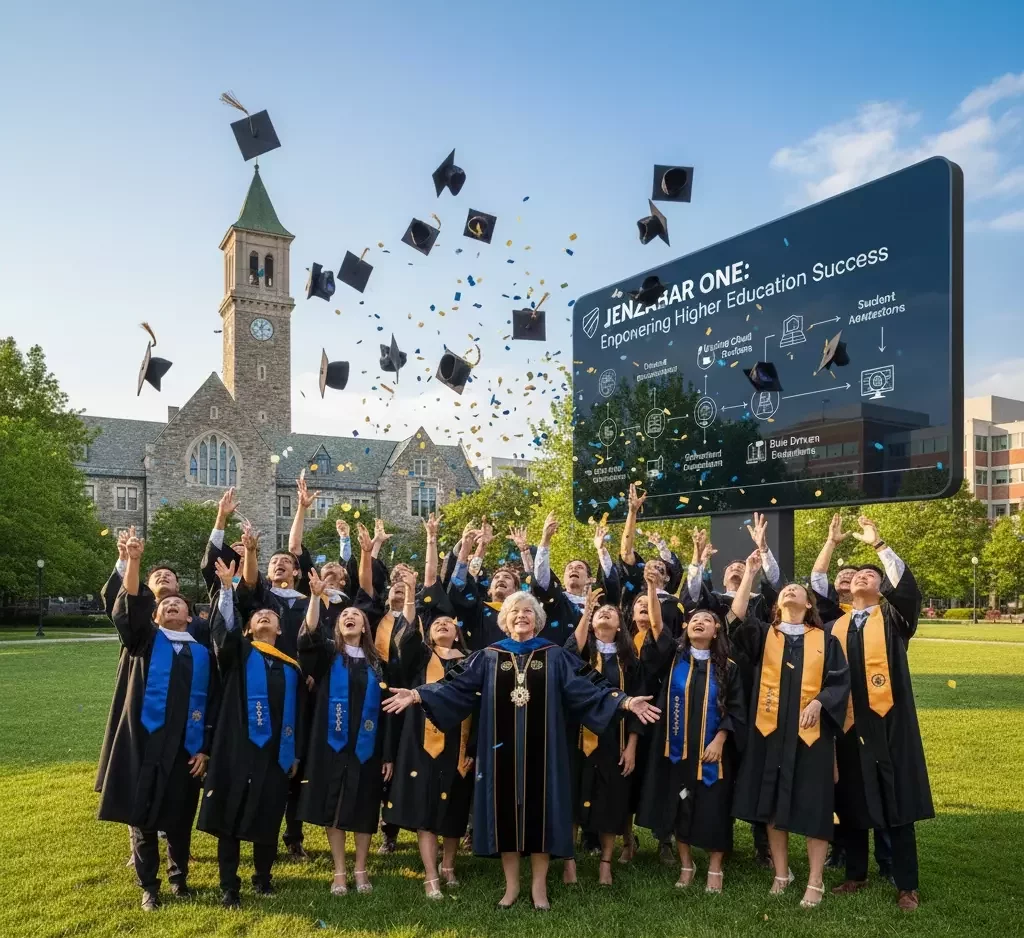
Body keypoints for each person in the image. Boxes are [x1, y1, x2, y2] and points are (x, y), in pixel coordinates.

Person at [383, 590, 661, 910]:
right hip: (499, 753)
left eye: (528, 611)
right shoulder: (488, 656)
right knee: (505, 817)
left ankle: (539, 887)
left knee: (541, 815)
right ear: (505, 620)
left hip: (545, 754)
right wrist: (417, 696)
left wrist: (625, 701)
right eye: (515, 611)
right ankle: (512, 886)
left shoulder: (555, 655)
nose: (521, 615)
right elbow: (454, 685)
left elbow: (589, 687)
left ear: (538, 621)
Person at [98, 531, 219, 911]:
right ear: (155, 613)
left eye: (180, 605)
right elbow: (128, 607)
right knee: (142, 814)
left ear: (190, 615)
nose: (173, 607)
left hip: (185, 746)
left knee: (179, 815)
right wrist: (132, 561)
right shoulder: (144, 642)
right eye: (166, 606)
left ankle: (179, 878)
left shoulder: (203, 653)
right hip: (143, 741)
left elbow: (213, 704)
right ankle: (149, 886)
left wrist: (205, 747)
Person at [814, 516, 930, 911]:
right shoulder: (836, 627)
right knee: (851, 798)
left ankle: (906, 883)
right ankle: (856, 874)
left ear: (882, 589)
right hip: (846, 723)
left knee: (896, 799)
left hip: (889, 723)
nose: (863, 577)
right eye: (859, 574)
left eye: (870, 575)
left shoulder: (895, 621)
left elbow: (908, 591)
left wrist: (879, 546)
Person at [729, 551, 851, 909]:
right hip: (768, 731)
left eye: (797, 589)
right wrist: (750, 574)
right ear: (776, 604)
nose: (790, 591)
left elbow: (840, 682)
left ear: (809, 603)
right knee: (770, 804)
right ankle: (782, 874)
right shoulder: (765, 635)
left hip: (810, 733)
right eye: (786, 590)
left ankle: (815, 880)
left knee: (815, 805)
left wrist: (819, 702)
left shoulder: (825, 639)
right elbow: (736, 619)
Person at [198, 558, 307, 908]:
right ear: (248, 629)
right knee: (229, 815)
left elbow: (297, 716)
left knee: (268, 812)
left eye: (271, 617)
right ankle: (229, 884)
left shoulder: (291, 668)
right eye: (258, 616)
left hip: (274, 751)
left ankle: (263, 878)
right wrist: (228, 588)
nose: (264, 618)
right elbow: (223, 631)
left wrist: (293, 753)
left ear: (280, 630)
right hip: (236, 746)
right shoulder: (238, 653)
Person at [637, 566, 745, 893]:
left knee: (714, 809)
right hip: (675, 750)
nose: (700, 622)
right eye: (695, 619)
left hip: (714, 752)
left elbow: (737, 708)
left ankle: (714, 866)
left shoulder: (728, 667)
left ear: (716, 631)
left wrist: (721, 740)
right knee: (678, 804)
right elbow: (656, 626)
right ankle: (686, 864)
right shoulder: (674, 658)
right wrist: (652, 588)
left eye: (708, 620)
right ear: (686, 627)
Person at [297, 581, 395, 896]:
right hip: (330, 744)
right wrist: (314, 596)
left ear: (366, 626)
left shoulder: (378, 664)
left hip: (368, 747)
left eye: (356, 615)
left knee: (365, 805)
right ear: (339, 625)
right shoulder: (328, 654)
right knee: (334, 804)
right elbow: (307, 637)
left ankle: (361, 869)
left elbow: (388, 710)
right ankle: (340, 870)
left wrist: (388, 754)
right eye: (345, 616)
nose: (350, 617)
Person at [811, 515, 893, 877]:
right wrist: (831, 543)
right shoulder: (832, 620)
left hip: (880, 713)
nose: (850, 579)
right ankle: (845, 854)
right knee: (846, 786)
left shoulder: (885, 617)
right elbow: (816, 581)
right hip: (843, 715)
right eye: (845, 577)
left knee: (885, 786)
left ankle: (889, 860)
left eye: (859, 575)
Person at [383, 606, 475, 898]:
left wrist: (472, 747)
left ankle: (448, 864)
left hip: (457, 745)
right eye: (438, 623)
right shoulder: (420, 657)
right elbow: (405, 642)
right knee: (426, 806)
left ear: (458, 633)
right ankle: (431, 874)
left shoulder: (471, 662)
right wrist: (411, 600)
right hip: (420, 742)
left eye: (450, 622)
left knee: (455, 807)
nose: (444, 625)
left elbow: (480, 707)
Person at [235, 520, 311, 861]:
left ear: (296, 571)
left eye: (285, 563)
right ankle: (254, 827)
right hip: (260, 686)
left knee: (295, 756)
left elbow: (317, 642)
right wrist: (251, 552)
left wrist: (313, 674)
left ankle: (293, 834)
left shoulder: (309, 602)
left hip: (297, 687)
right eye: (272, 563)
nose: (278, 565)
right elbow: (248, 584)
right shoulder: (263, 601)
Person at [564, 586, 643, 887]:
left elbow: (638, 705)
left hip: (615, 741)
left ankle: (605, 863)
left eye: (610, 612)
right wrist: (585, 612)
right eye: (599, 612)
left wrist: (632, 746)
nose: (604, 614)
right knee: (572, 800)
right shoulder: (581, 656)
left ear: (622, 624)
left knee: (611, 802)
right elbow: (570, 649)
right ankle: (569, 862)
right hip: (577, 740)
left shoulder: (629, 661)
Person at [447, 521, 523, 651]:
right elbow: (466, 580)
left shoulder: (522, 614)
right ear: (489, 590)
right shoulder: (478, 610)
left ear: (516, 590)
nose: (501, 579)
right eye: (497, 578)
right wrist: (477, 547)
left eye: (507, 577)